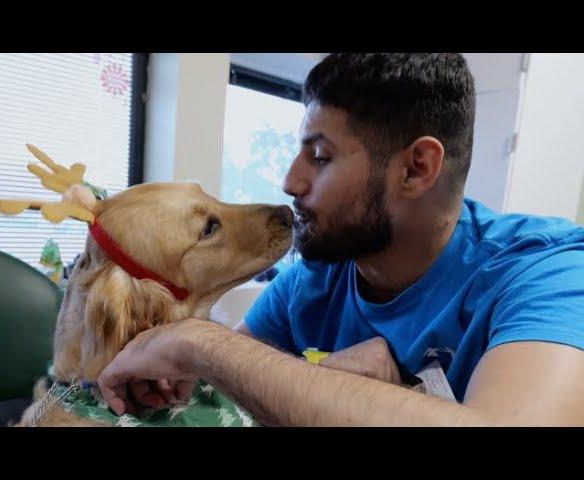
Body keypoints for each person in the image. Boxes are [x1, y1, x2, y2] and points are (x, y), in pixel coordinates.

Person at [97, 53, 584, 426]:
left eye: (321, 156)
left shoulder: (549, 274)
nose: (290, 182)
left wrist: (200, 344)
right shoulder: (318, 274)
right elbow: (235, 371)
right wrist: (184, 375)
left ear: (416, 169)